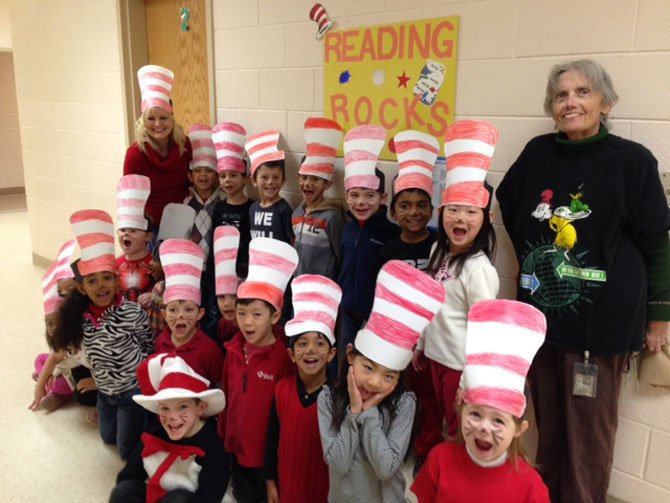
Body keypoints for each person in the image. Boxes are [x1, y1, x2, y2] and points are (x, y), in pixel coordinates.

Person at [495, 59, 670, 503]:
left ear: (605, 102)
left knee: (587, 442)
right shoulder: (537, 153)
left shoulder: (632, 162)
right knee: (547, 432)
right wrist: (538, 262)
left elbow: (657, 241)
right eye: (561, 95)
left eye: (583, 92)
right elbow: (509, 203)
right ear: (552, 107)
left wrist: (660, 316)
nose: (570, 101)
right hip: (542, 324)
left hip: (602, 327)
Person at [318, 260, 444, 502]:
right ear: (351, 355)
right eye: (368, 368)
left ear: (399, 376)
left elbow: (385, 469)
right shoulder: (328, 399)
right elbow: (338, 464)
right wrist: (354, 413)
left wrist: (368, 414)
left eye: (389, 375)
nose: (375, 383)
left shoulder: (404, 404)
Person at [411, 299, 550, 503]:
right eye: (475, 414)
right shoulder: (439, 460)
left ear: (519, 429)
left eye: (498, 421)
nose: (484, 427)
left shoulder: (530, 487)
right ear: (461, 412)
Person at [416, 120, 500, 440]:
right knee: (435, 418)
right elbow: (431, 302)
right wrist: (422, 343)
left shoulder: (479, 270)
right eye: (453, 210)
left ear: (486, 219)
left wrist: (468, 380)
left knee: (456, 429)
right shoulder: (439, 249)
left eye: (470, 212)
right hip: (434, 358)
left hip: (458, 368)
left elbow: (484, 333)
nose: (460, 219)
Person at [51, 210, 153, 460]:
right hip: (105, 393)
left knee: (126, 452)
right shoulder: (80, 318)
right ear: (81, 288)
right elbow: (71, 351)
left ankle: (147, 425)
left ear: (117, 281)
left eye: (107, 278)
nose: (101, 286)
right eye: (92, 282)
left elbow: (147, 343)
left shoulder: (131, 311)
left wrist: (140, 377)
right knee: (108, 438)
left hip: (132, 392)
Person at [381, 130, 443, 476]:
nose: (414, 212)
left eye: (422, 205)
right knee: (400, 391)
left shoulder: (438, 245)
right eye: (405, 205)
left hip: (430, 336)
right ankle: (399, 442)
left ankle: (426, 447)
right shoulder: (389, 249)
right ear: (392, 211)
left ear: (432, 209)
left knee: (428, 396)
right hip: (399, 335)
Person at [218, 237, 297, 503]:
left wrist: (274, 469)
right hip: (234, 448)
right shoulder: (232, 349)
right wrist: (223, 437)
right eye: (241, 313)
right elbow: (226, 397)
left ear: (275, 316)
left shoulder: (283, 359)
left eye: (256, 314)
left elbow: (283, 417)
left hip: (264, 458)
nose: (247, 322)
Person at [110, 354, 228, 503]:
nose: (172, 416)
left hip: (191, 499)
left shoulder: (213, 447)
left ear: (201, 408)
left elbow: (209, 497)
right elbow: (130, 474)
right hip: (158, 494)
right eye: (165, 408)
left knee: (178, 500)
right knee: (123, 490)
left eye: (182, 406)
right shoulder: (155, 430)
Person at [264, 274, 340, 503]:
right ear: (291, 355)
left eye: (319, 344)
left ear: (331, 354)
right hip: (287, 486)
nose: (310, 351)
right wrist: (270, 483)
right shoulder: (281, 390)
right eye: (302, 344)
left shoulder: (339, 398)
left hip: (324, 490)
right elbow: (271, 440)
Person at [337, 125, 399, 365]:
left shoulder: (390, 233)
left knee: (369, 365)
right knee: (346, 363)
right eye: (354, 194)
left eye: (369, 195)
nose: (361, 202)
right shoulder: (347, 228)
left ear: (383, 198)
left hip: (374, 316)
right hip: (347, 312)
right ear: (346, 195)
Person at [123, 65, 192, 236]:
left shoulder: (184, 144)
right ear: (143, 121)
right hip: (149, 226)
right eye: (151, 119)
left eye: (163, 118)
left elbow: (191, 182)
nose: (158, 124)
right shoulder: (136, 154)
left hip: (182, 220)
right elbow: (130, 200)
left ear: (172, 117)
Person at [30, 240, 97, 412]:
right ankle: (50, 385)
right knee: (40, 360)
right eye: (61, 292)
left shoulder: (89, 322)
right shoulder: (65, 327)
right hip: (68, 364)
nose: (66, 295)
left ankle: (57, 391)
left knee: (75, 389)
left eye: (71, 289)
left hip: (91, 370)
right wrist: (40, 386)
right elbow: (55, 356)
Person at [153, 239, 224, 386]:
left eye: (189, 309)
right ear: (163, 314)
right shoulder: (160, 342)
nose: (180, 315)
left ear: (200, 313)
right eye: (173, 310)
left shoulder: (210, 350)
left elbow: (219, 385)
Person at [292, 117, 346, 280]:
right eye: (305, 178)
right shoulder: (296, 214)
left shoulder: (332, 217)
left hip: (322, 286)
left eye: (315, 179)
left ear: (327, 184)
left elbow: (339, 257)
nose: (308, 183)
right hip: (299, 284)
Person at [184, 124, 224, 341]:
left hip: (215, 269)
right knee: (194, 306)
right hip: (193, 269)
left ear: (217, 175)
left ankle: (211, 346)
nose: (203, 175)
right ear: (190, 176)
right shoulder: (185, 203)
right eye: (198, 171)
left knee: (213, 310)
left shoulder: (222, 203)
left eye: (208, 171)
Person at [211, 122, 253, 278]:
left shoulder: (251, 208)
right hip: (221, 267)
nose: (227, 180)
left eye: (233, 175)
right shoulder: (218, 208)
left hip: (243, 268)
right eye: (223, 176)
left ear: (245, 179)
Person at [246, 130, 294, 244]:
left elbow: (292, 240)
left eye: (276, 177)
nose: (270, 182)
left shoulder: (284, 209)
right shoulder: (252, 208)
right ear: (253, 180)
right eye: (264, 177)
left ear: (283, 181)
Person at [115, 174, 155, 305]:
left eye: (133, 231)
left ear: (148, 237)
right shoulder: (114, 265)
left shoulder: (155, 266)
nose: (126, 234)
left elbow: (167, 291)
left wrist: (155, 296)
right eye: (123, 230)